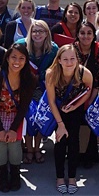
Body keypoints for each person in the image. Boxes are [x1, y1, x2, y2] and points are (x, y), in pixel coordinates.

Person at [0, 43, 36, 192]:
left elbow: (24, 107)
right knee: (0, 144)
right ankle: (2, 175)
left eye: (21, 58)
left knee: (14, 145)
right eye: (13, 57)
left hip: (17, 114)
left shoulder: (29, 78)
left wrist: (13, 129)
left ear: (26, 60)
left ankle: (15, 174)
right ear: (7, 58)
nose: (17, 61)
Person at [45, 44, 94, 195]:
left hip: (75, 108)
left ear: (77, 59)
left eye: (72, 58)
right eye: (65, 59)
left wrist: (75, 106)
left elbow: (88, 90)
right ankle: (60, 177)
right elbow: (51, 101)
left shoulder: (84, 73)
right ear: (59, 60)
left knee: (74, 142)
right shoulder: (51, 74)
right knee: (60, 141)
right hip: (58, 109)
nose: (69, 62)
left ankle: (72, 177)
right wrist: (60, 124)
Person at [18, 19, 59, 164]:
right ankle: (29, 149)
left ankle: (37, 148)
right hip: (25, 86)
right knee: (29, 116)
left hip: (44, 87)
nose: (37, 34)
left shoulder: (54, 49)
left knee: (41, 116)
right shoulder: (22, 45)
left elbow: (56, 70)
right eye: (34, 31)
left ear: (47, 33)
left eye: (41, 31)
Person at [73, 21, 99, 169]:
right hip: (73, 93)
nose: (85, 36)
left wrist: (90, 98)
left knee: (90, 121)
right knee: (75, 124)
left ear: (94, 35)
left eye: (89, 33)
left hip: (94, 91)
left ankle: (89, 156)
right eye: (82, 33)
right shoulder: (71, 50)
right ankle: (75, 154)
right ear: (77, 34)